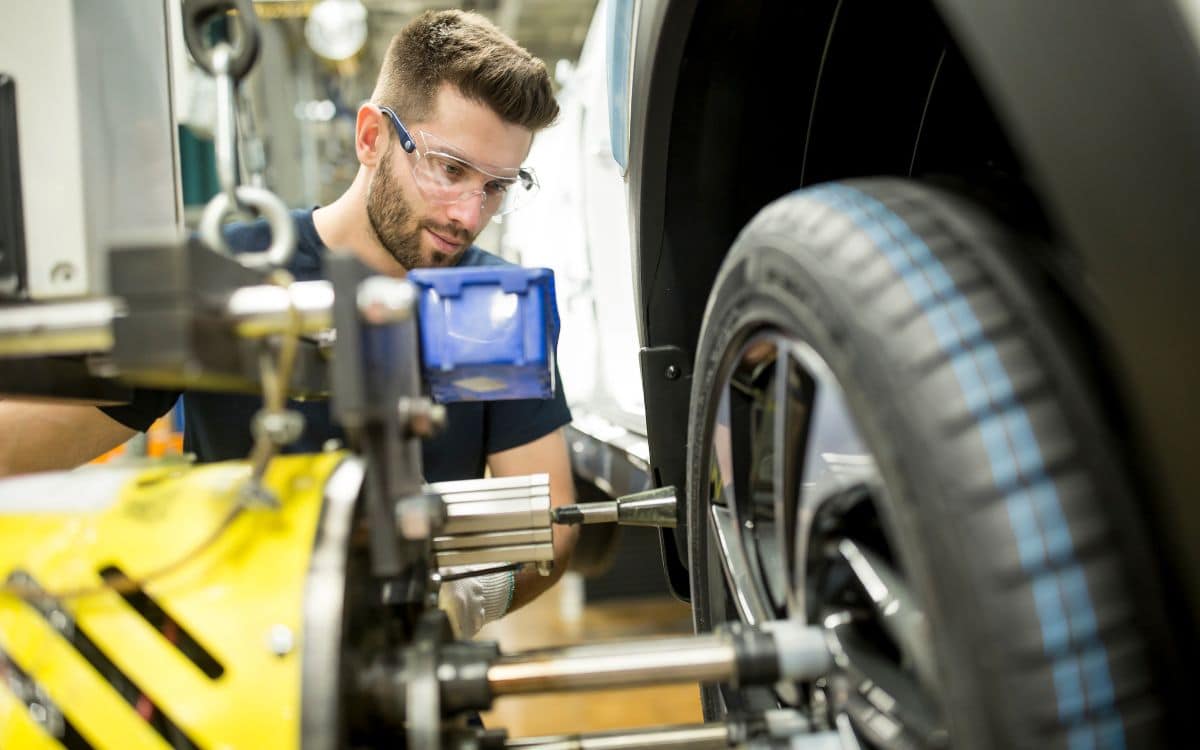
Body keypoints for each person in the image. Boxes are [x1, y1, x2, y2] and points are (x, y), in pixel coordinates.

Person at [0, 10, 578, 638]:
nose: (469, 214)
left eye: (496, 186)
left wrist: (450, 610)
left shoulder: (494, 304)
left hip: (414, 680)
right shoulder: (230, 271)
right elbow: (17, 449)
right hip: (237, 667)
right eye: (449, 168)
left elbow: (549, 525)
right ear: (370, 138)